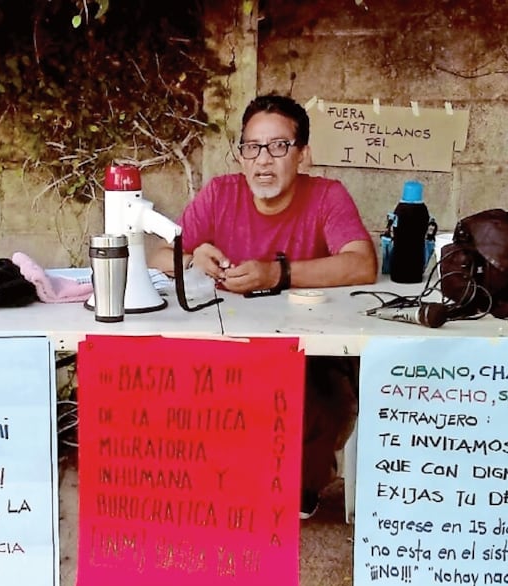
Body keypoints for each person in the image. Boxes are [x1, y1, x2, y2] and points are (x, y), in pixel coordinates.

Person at [150, 94, 378, 518]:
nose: (263, 161)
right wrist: (191, 255)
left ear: (302, 155)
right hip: (229, 345)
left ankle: (302, 487)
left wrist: (278, 275)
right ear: (240, 155)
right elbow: (157, 255)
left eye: (278, 147)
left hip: (310, 350)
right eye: (252, 148)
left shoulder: (328, 196)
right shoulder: (220, 193)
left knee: (321, 399)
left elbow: (362, 263)